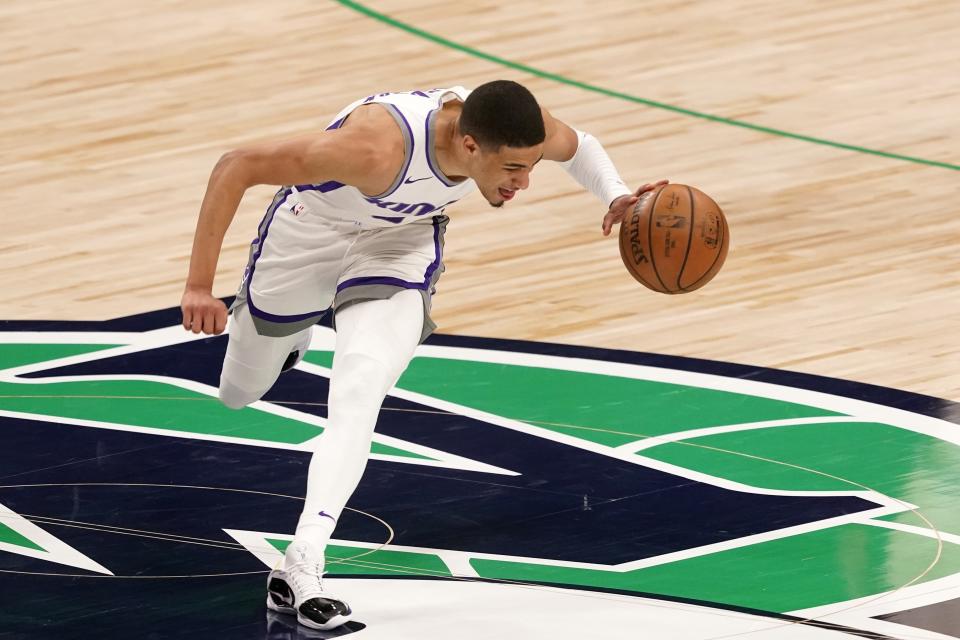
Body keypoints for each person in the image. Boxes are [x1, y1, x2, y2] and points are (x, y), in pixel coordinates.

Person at [180, 80, 666, 630]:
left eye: (530, 168)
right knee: (239, 392)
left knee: (360, 390)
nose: (524, 183)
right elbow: (234, 166)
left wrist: (616, 194)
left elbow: (580, 147)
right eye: (512, 170)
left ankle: (303, 560)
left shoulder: (517, 124)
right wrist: (199, 286)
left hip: (399, 244)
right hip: (308, 237)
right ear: (469, 146)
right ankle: (291, 335)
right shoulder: (374, 148)